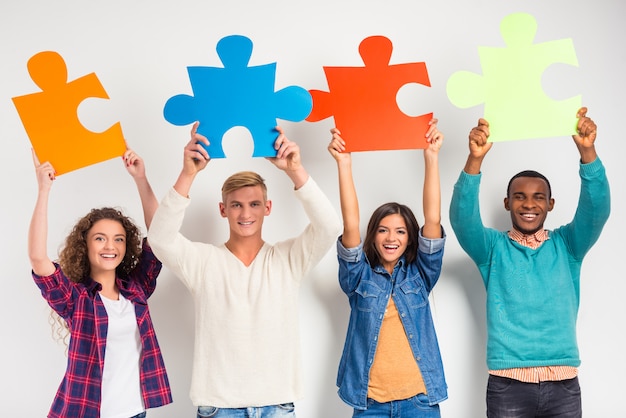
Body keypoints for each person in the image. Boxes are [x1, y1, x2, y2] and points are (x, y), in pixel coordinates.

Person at [147, 123, 341, 417]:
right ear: (223, 210)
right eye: (236, 205)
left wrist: (294, 171)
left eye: (254, 204)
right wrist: (188, 174)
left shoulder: (287, 259)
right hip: (219, 408)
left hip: (277, 405)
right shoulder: (203, 262)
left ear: (268, 207)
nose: (246, 213)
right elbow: (160, 239)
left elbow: (330, 227)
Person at [449, 107, 611, 417]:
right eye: (520, 196)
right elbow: (462, 219)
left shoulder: (568, 245)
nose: (529, 204)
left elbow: (597, 209)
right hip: (507, 385)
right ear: (507, 203)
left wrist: (588, 153)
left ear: (550, 204)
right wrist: (475, 160)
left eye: (538, 197)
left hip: (564, 385)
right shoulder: (493, 249)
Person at [28, 149, 172, 418]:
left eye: (118, 238)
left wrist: (140, 178)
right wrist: (43, 189)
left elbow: (160, 237)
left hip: (135, 412)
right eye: (100, 238)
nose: (110, 246)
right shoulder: (76, 299)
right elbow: (38, 258)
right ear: (85, 245)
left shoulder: (136, 290)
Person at [327, 119, 448, 417]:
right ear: (373, 235)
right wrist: (344, 164)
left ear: (410, 239)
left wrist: (431, 158)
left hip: (420, 402)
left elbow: (432, 220)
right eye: (383, 230)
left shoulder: (421, 274)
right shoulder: (358, 278)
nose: (391, 238)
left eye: (401, 231)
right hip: (370, 405)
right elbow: (350, 225)